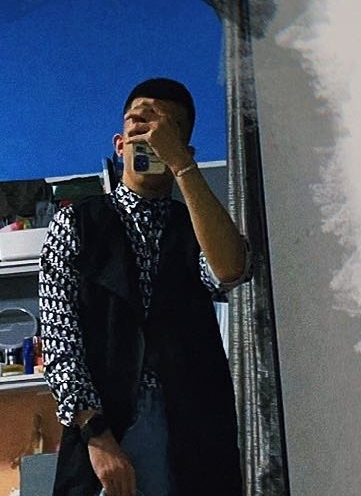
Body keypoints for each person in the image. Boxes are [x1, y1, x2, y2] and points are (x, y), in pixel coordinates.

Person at [39, 78, 251, 496]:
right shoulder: (76, 224)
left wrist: (182, 167)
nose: (149, 134)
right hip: (105, 430)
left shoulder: (195, 227)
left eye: (164, 129)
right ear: (120, 145)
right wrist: (96, 435)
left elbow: (230, 270)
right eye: (138, 123)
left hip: (194, 435)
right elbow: (61, 341)